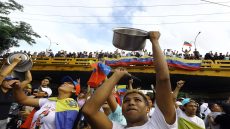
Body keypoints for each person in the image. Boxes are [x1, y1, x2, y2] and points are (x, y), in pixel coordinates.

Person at [82, 31, 177, 129]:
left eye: (137, 100)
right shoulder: (115, 127)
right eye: (126, 101)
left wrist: (154, 41)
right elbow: (89, 111)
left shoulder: (160, 124)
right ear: (122, 110)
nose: (131, 103)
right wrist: (116, 75)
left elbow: (163, 79)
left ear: (148, 108)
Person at [12, 75, 80, 129]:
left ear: (74, 90)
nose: (65, 83)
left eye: (70, 83)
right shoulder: (48, 100)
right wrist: (17, 88)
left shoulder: (71, 107)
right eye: (65, 82)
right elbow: (23, 100)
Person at [0, 56, 32, 129]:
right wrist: (14, 62)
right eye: (7, 80)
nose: (10, 82)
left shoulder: (13, 90)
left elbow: (28, 79)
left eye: (11, 80)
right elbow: (2, 75)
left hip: (3, 120)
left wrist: (26, 67)